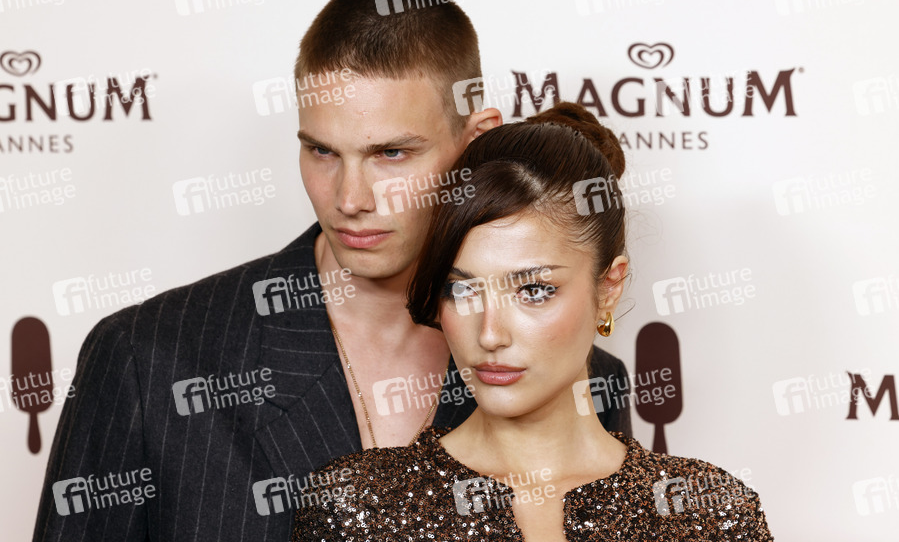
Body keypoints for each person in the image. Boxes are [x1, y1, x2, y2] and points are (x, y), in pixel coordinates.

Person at [32, 0, 631, 542]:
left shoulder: (579, 377)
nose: (349, 199)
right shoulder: (148, 357)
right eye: (322, 151)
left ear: (475, 139)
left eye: (391, 153)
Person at [291, 102, 773, 541]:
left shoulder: (709, 512)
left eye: (533, 291)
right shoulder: (355, 508)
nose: (490, 335)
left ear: (608, 288)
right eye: (462, 289)